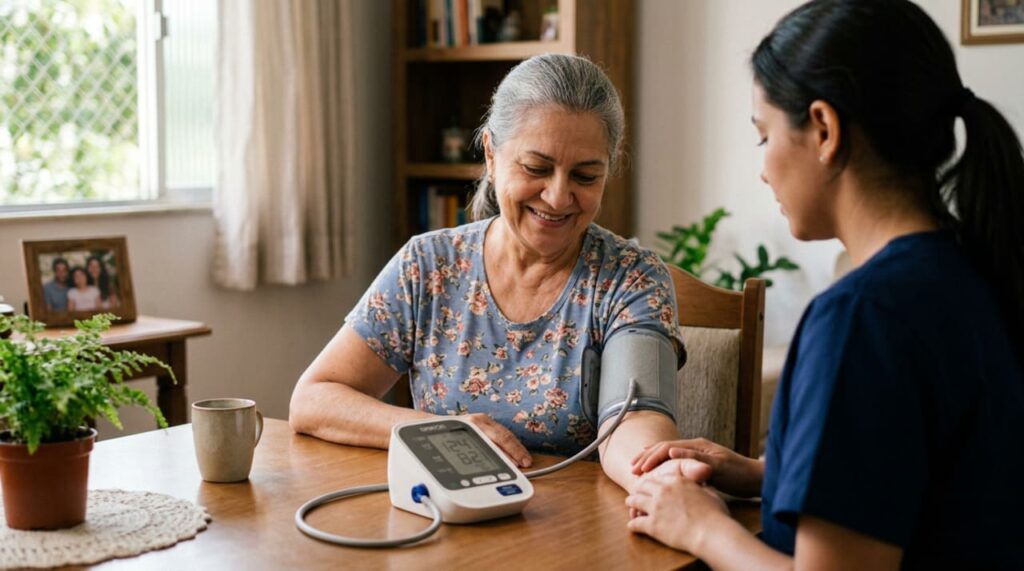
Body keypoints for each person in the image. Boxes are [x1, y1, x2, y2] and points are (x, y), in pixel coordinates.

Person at [627, 0, 1024, 568]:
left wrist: (702, 528)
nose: (763, 168)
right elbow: (934, 480)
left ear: (823, 128)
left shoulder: (864, 316)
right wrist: (770, 474)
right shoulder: (972, 267)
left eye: (764, 137)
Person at [290, 54, 683, 492]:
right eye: (536, 168)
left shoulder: (631, 278)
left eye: (585, 176)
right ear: (491, 154)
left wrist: (660, 480)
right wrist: (443, 432)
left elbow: (635, 421)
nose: (557, 197)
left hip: (575, 530)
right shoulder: (428, 266)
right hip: (443, 519)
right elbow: (314, 399)